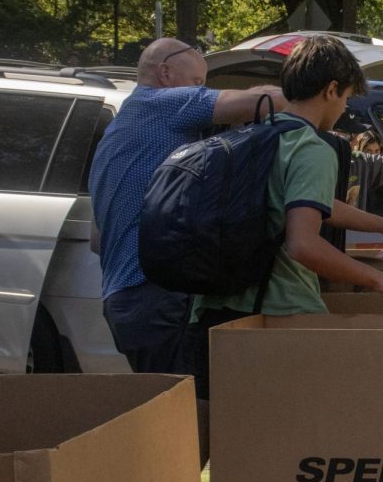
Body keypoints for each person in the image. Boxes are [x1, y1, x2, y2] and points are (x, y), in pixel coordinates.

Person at [190, 36, 383, 462]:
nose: (344, 109)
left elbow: (311, 202)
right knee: (307, 444)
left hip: (215, 308)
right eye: (347, 97)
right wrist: (380, 278)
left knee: (228, 447)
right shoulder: (313, 147)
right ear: (331, 89)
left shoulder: (257, 136)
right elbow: (302, 243)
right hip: (280, 311)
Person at [88, 38, 289, 376]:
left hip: (123, 299)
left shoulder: (118, 131)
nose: (202, 91)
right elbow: (266, 101)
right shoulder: (160, 103)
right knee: (191, 413)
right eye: (198, 83)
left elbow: (97, 240)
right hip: (157, 294)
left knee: (168, 409)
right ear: (165, 72)